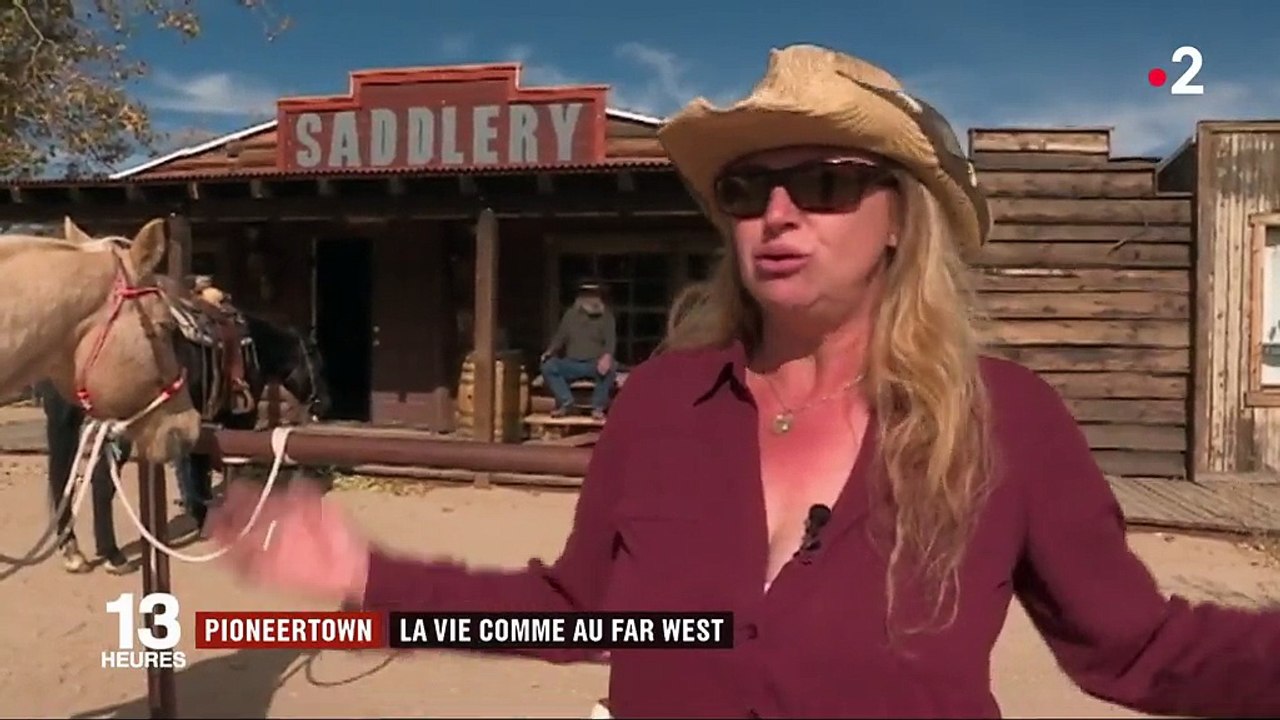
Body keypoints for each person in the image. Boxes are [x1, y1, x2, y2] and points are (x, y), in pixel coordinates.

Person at [207, 44, 1280, 718]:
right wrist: (368, 577)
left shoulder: (1006, 419)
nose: (776, 213)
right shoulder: (661, 403)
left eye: (824, 182)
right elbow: (584, 612)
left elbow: (1138, 649)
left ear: (900, 219)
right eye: (746, 188)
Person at [36, 379, 134, 574]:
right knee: (63, 449)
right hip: (63, 373)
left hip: (105, 372)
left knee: (120, 441)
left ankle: (105, 540)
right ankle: (66, 537)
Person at [539, 280, 617, 420]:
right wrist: (549, 351)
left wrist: (607, 357)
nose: (591, 298)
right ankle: (566, 402)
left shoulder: (606, 317)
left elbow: (610, 342)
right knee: (548, 366)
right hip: (572, 363)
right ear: (581, 297)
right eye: (588, 294)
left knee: (611, 368)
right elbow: (560, 337)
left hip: (595, 364)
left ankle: (598, 407)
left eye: (594, 294)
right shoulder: (570, 315)